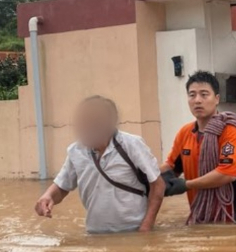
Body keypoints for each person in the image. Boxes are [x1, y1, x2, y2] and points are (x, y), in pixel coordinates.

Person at [34, 96, 165, 233]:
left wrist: (146, 227)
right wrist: (47, 197)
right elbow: (62, 187)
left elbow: (158, 185)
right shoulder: (75, 151)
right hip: (95, 233)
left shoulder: (132, 145)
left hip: (133, 230)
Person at [161, 71, 236, 224]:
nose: (197, 100)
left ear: (217, 99)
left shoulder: (231, 131)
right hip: (201, 215)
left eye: (204, 94)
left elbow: (227, 174)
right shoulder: (185, 133)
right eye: (192, 95)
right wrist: (147, 176)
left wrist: (186, 185)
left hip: (233, 219)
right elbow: (171, 167)